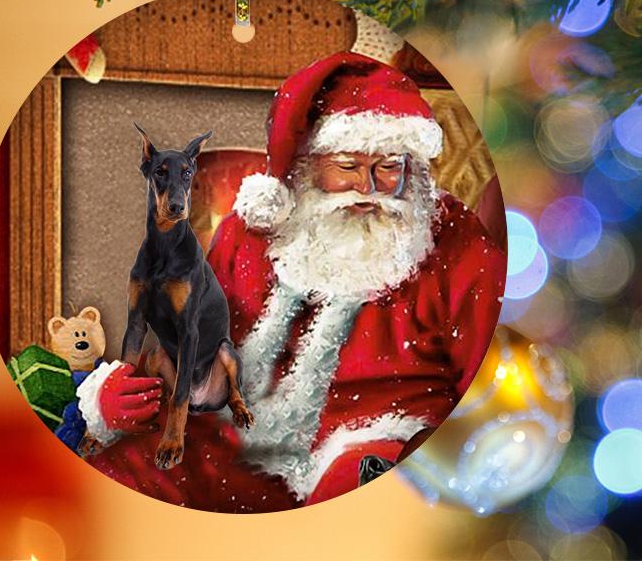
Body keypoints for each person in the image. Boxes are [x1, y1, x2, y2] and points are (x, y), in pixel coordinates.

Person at [80, 51, 506, 512]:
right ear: (308, 163)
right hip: (241, 440)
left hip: (381, 439)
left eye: (389, 166)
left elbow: (491, 383)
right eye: (347, 166)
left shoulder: (452, 241)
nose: (370, 186)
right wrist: (128, 395)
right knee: (128, 476)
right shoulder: (251, 231)